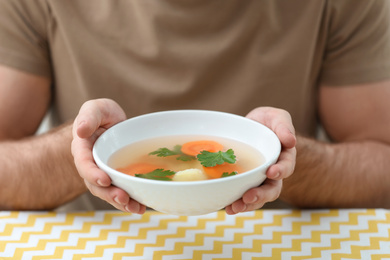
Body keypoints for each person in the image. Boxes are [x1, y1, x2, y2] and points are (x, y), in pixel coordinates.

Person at [1, 0, 390, 214]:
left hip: (268, 245)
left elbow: (381, 165)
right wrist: (91, 154)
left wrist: (281, 160)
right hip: (106, 241)